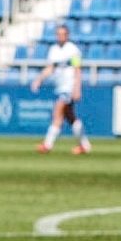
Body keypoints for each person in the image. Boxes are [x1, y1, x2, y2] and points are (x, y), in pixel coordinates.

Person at [30, 23, 91, 154]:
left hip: (69, 87)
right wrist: (39, 79)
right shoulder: (54, 50)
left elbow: (77, 69)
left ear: (67, 35)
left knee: (57, 112)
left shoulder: (73, 50)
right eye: (58, 34)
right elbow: (50, 68)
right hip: (60, 86)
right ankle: (84, 145)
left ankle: (47, 144)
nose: (60, 36)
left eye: (63, 34)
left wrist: (77, 88)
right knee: (70, 117)